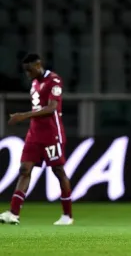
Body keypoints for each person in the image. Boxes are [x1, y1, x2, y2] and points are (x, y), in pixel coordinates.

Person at [0, 53, 73, 226]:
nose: (27, 74)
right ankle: (13, 212)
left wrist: (23, 116)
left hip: (51, 133)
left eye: (29, 70)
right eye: (25, 71)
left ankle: (67, 215)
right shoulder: (34, 83)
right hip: (34, 134)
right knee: (24, 169)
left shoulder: (53, 80)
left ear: (38, 65)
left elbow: (52, 108)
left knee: (58, 171)